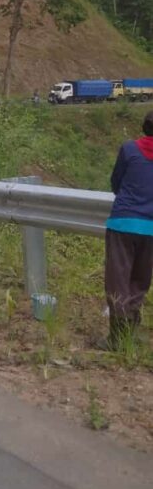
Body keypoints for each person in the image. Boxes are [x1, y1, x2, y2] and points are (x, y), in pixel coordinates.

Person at [105, 110, 153, 348]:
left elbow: (116, 182)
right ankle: (130, 334)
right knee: (140, 281)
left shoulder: (129, 149)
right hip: (151, 229)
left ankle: (117, 339)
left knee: (118, 280)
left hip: (123, 222)